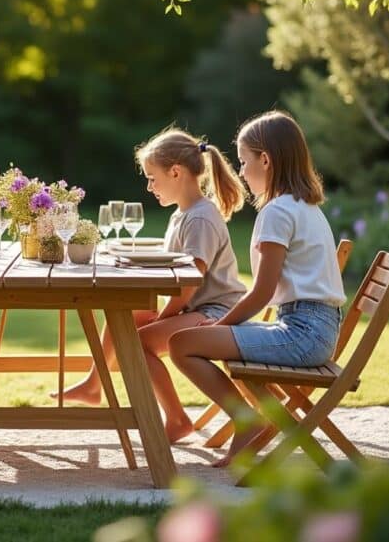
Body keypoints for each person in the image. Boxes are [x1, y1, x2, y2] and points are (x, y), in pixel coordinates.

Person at [168, 110, 346, 467]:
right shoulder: (304, 206)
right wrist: (222, 328)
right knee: (195, 339)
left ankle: (248, 421)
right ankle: (252, 418)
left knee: (182, 343)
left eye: (244, 161)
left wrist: (220, 326)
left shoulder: (278, 212)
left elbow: (262, 292)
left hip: (302, 334)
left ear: (265, 159)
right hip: (314, 328)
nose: (242, 171)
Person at [59, 128, 247, 443]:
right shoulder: (183, 214)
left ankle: (177, 419)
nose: (149, 187)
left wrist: (164, 317)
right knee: (125, 314)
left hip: (216, 313)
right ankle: (94, 385)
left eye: (151, 178)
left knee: (139, 343)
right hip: (196, 308)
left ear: (176, 172)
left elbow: (188, 284)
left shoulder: (200, 219)